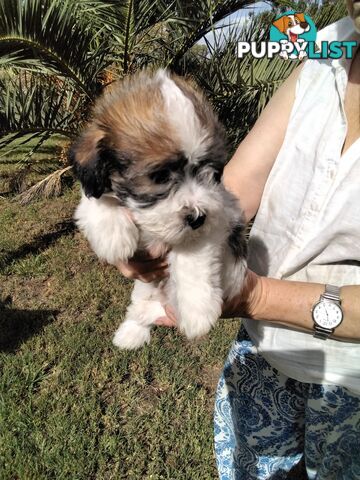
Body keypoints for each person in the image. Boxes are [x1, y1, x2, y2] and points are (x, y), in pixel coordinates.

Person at [117, 3, 360, 478]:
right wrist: (158, 235)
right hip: (263, 349)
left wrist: (254, 294)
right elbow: (239, 186)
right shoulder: (331, 51)